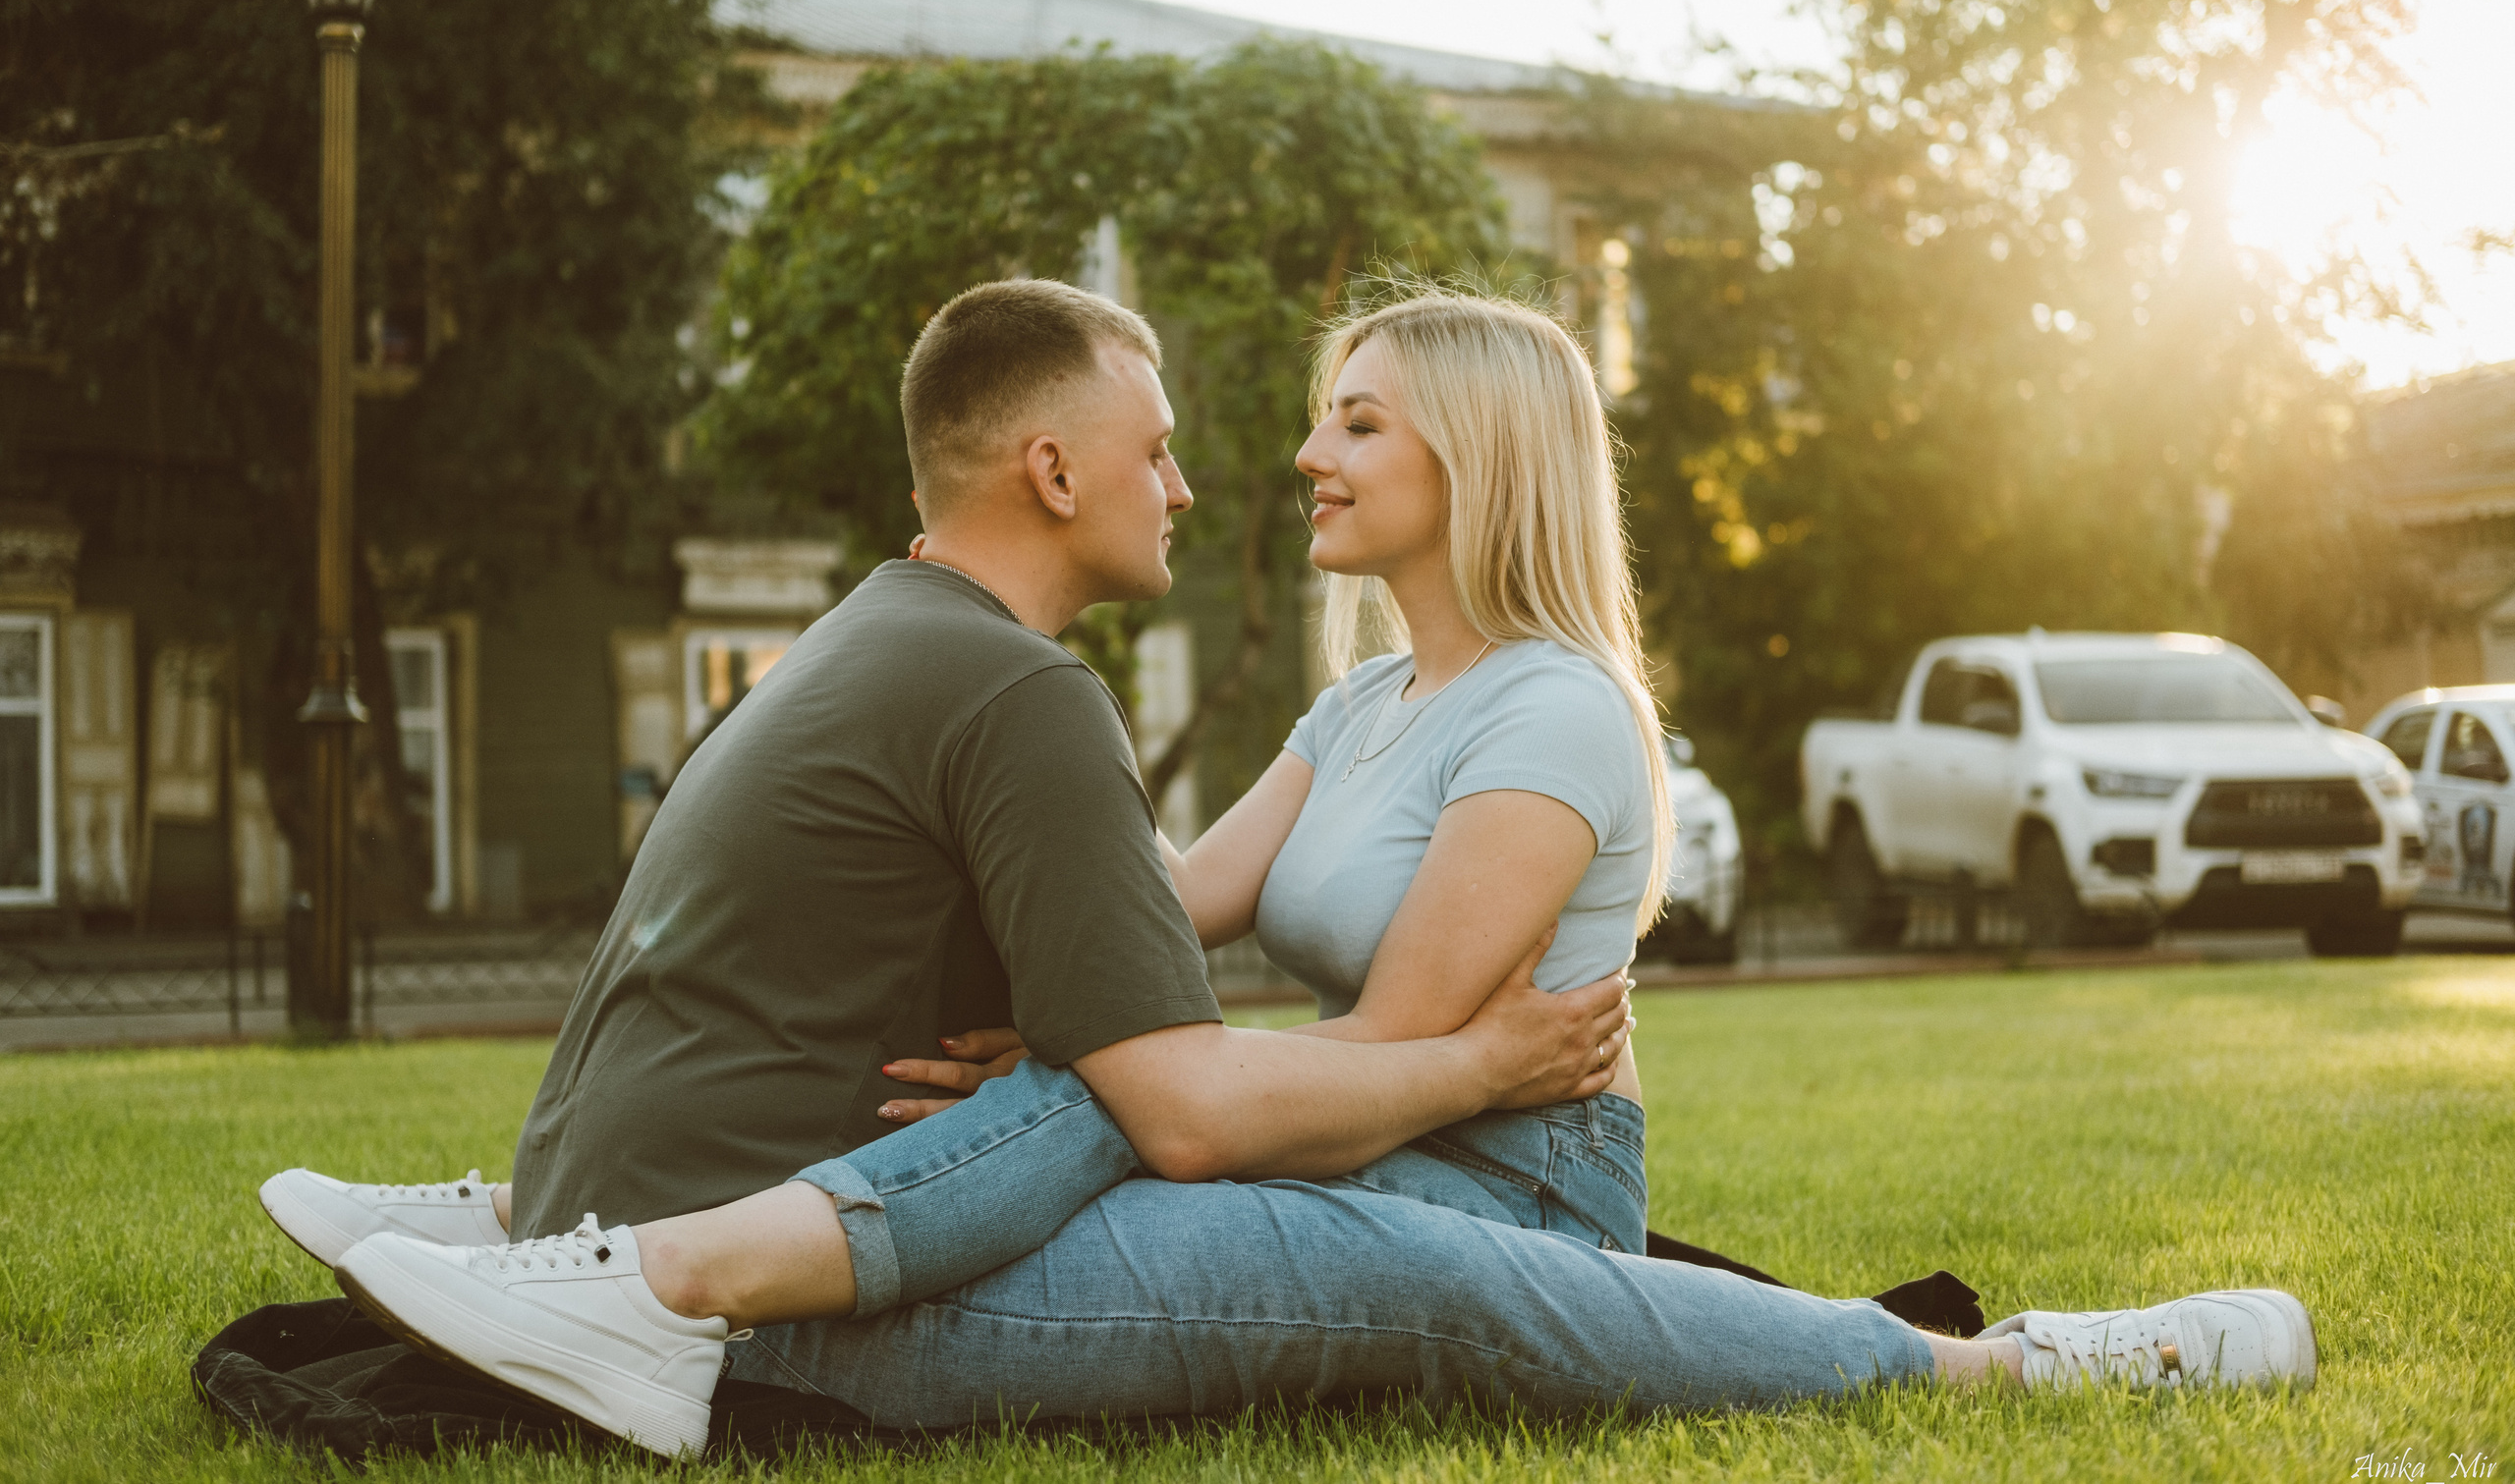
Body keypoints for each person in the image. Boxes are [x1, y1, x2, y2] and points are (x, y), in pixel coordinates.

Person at [270, 286, 2316, 1457]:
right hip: (1367, 1113)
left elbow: (1402, 1047)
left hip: (1494, 1147)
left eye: (1354, 423)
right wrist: (1042, 994)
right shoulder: (1351, 711)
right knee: (1096, 1065)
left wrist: (1085, 1054)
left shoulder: (1552, 712)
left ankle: (646, 1246)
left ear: (1475, 462)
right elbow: (1163, 905)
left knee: (1118, 1090)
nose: (1293, 458)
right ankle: (603, 1220)